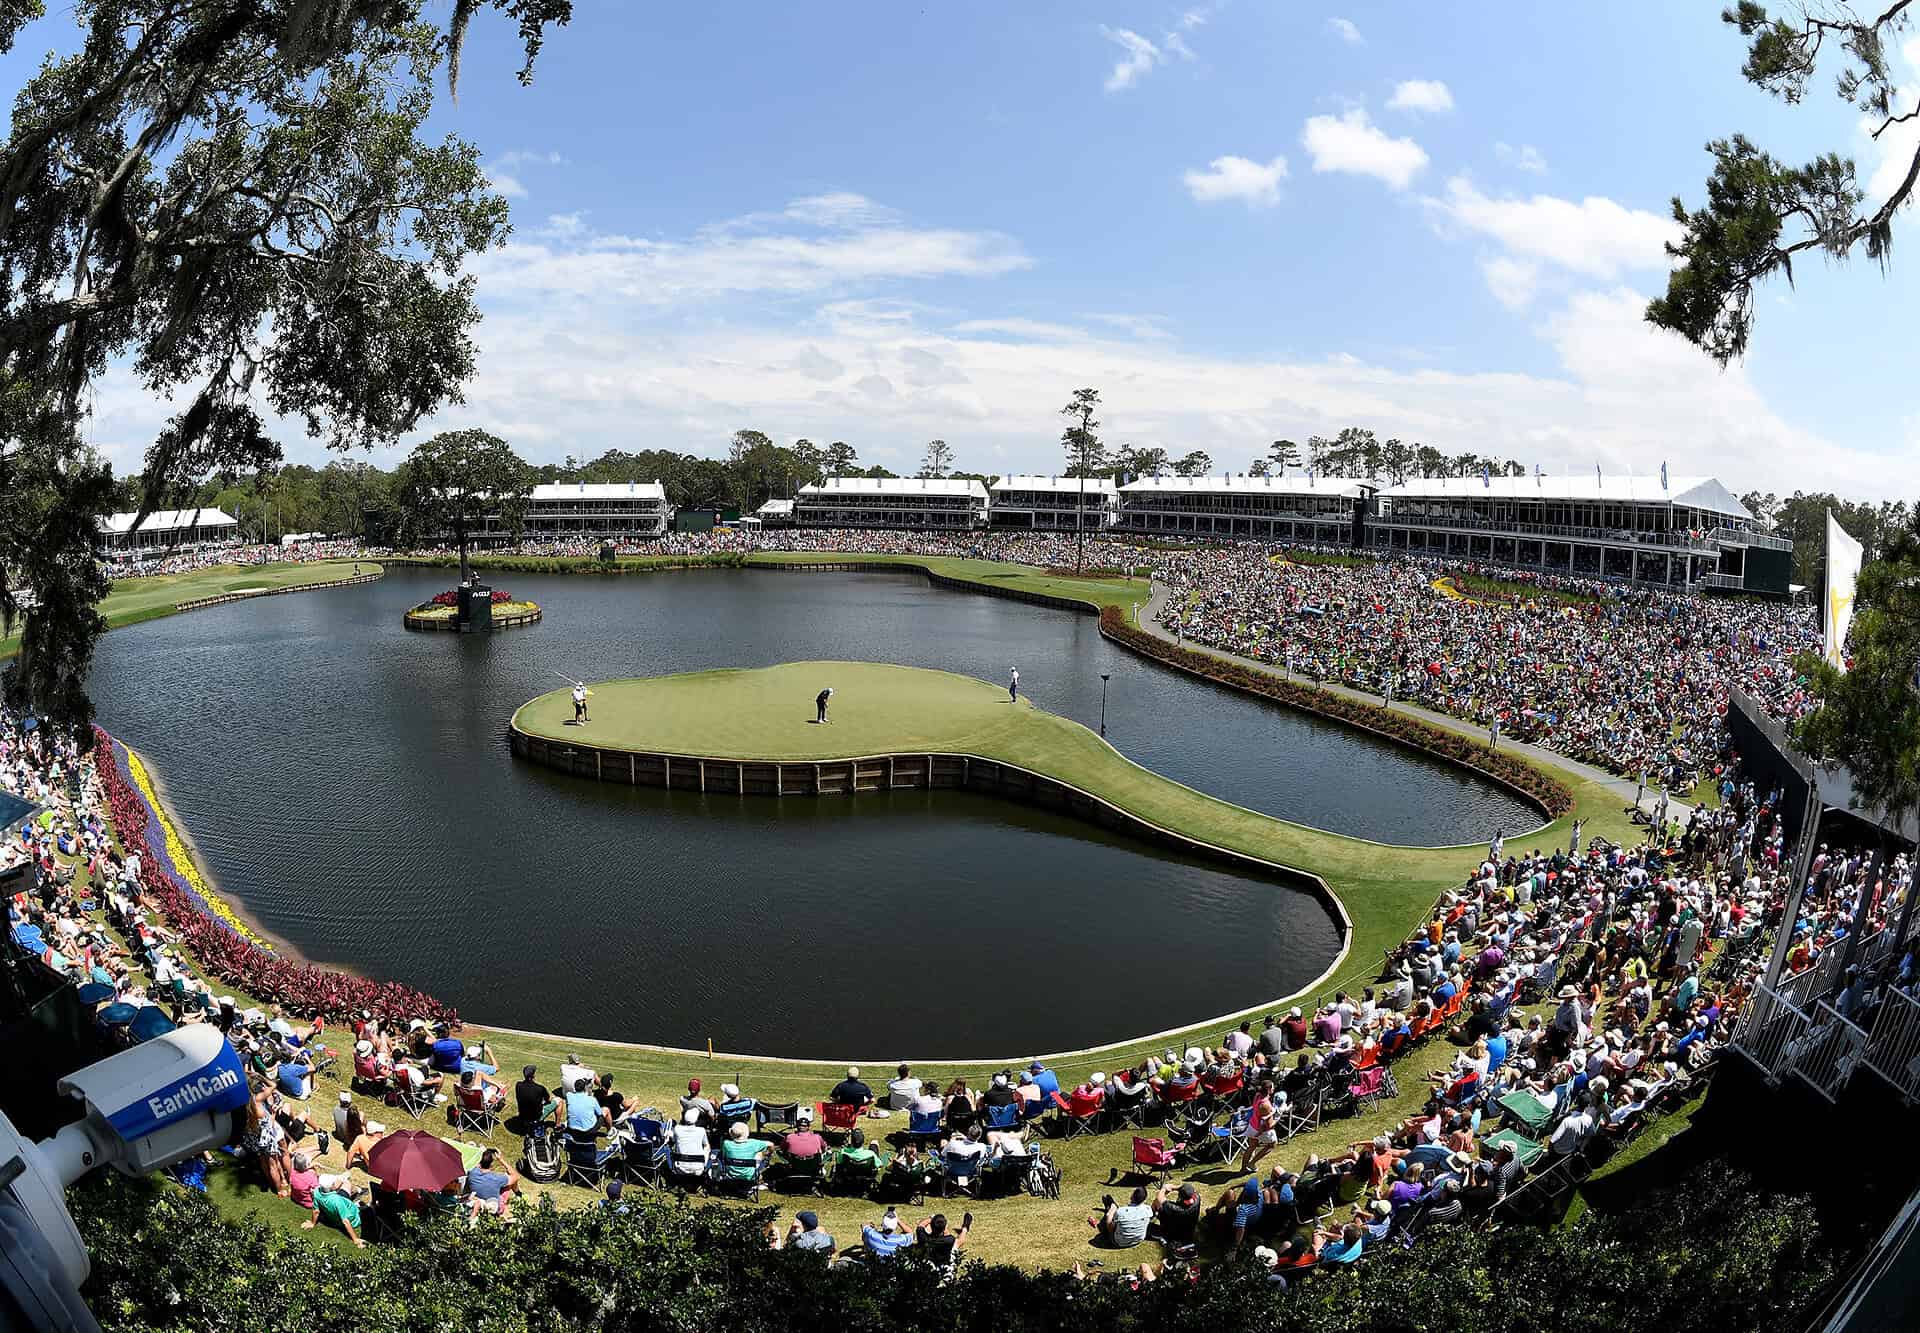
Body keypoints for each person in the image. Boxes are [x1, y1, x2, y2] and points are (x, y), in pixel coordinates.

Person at [302, 1174, 366, 1248]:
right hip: (353, 1217)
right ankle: (358, 1196)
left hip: (334, 1218)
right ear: (332, 1186)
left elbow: (316, 1211)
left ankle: (357, 1196)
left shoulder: (316, 1192)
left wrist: (313, 1223)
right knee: (368, 1207)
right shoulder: (337, 1201)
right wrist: (355, 1239)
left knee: (345, 1186)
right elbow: (345, 1221)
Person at [465, 1147, 520, 1221]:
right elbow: (516, 1176)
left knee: (505, 1181)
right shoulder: (497, 1179)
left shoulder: (472, 1172)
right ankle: (518, 1194)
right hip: (493, 1207)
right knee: (510, 1180)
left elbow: (477, 1165)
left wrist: (484, 1153)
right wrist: (501, 1160)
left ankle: (519, 1194)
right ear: (491, 1165)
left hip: (476, 1200)